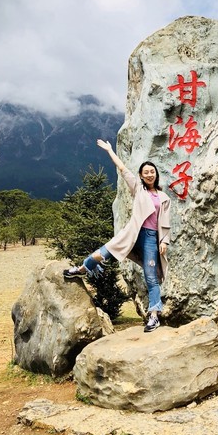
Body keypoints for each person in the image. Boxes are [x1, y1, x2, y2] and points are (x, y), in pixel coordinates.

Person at [63, 139, 171, 332]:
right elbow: (122, 168)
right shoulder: (138, 189)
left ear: (156, 174)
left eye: (152, 171)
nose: (149, 174)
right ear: (141, 175)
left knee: (151, 277)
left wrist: (165, 241)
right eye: (145, 172)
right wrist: (109, 150)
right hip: (132, 233)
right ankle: (83, 268)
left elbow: (165, 223)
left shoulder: (163, 198)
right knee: (102, 253)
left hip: (150, 238)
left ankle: (154, 315)